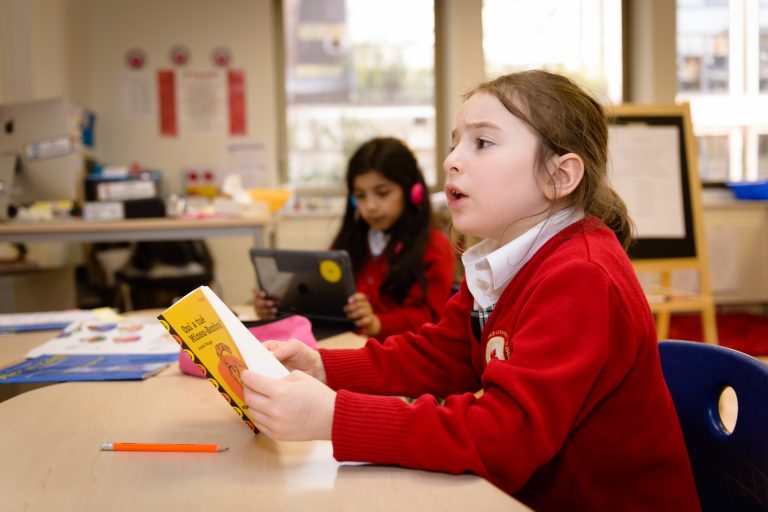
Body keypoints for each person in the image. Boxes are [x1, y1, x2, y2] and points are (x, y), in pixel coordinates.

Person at [241, 70, 700, 511]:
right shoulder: (506, 257)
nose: (451, 160)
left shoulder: (582, 276)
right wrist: (321, 366)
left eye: (481, 142)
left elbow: (502, 439)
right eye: (455, 143)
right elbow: (440, 354)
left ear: (559, 177)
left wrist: (334, 417)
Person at [253, 137, 456, 340]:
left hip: (396, 356)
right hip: (348, 345)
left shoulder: (434, 246)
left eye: (382, 193)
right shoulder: (352, 239)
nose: (370, 206)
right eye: (360, 195)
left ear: (414, 193)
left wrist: (377, 323)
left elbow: (428, 318)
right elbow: (320, 296)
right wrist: (279, 308)